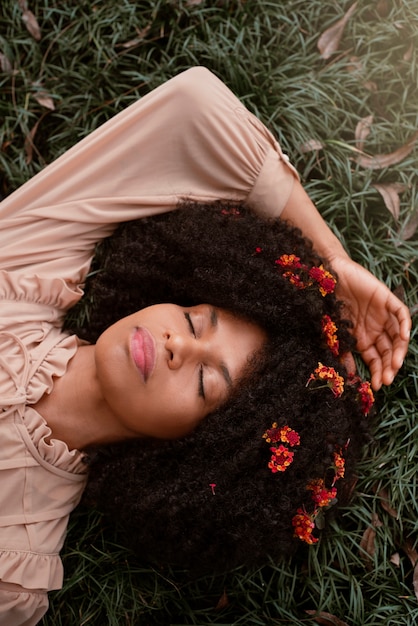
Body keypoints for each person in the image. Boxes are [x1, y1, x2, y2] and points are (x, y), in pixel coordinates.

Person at [0, 67, 410, 624]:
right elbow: (196, 112)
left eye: (204, 381)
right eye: (195, 321)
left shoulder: (16, 568)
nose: (176, 346)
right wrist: (330, 266)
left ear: (191, 451)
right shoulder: (22, 270)